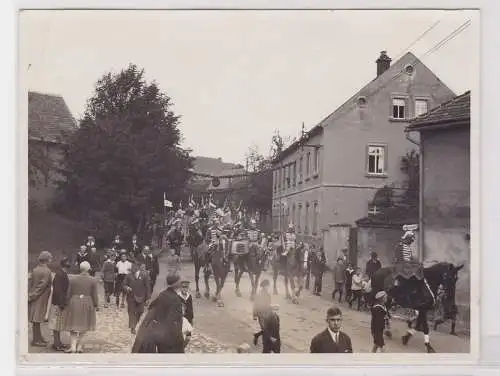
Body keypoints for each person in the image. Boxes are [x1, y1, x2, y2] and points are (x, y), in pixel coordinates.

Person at [131, 274, 185, 353]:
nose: (181, 283)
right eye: (179, 281)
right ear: (176, 283)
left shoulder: (162, 294)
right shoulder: (175, 300)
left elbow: (151, 308)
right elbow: (174, 321)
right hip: (171, 337)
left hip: (160, 336)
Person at [61, 261, 99, 353]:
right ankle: (79, 346)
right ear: (89, 269)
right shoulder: (93, 280)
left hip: (74, 302)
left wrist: (66, 303)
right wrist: (96, 305)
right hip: (87, 302)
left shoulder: (73, 279)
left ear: (80, 268)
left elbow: (68, 293)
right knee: (85, 324)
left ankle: (73, 346)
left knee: (73, 324)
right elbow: (94, 295)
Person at [28, 251, 53, 346]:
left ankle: (38, 338)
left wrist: (30, 295)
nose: (51, 260)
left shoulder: (35, 269)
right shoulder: (47, 271)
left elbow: (31, 283)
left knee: (36, 319)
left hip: (35, 296)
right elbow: (42, 286)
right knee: (37, 319)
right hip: (40, 297)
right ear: (46, 259)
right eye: (50, 258)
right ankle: (36, 340)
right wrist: (32, 296)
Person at [47, 257, 71, 351]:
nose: (69, 264)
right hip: (58, 303)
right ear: (64, 265)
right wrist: (61, 303)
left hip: (59, 302)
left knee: (58, 324)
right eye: (68, 262)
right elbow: (58, 290)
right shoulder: (60, 274)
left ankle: (58, 342)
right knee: (56, 324)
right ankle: (56, 344)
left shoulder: (62, 273)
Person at [124, 263, 151, 334]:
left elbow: (148, 287)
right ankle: (133, 327)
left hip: (141, 297)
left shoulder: (144, 275)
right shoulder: (128, 275)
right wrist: (127, 287)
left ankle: (135, 324)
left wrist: (148, 298)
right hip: (131, 297)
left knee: (140, 311)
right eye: (132, 267)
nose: (132, 268)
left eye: (134, 267)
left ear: (137, 268)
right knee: (131, 312)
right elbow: (124, 284)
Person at [253, 279, 272, 346]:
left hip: (267, 314)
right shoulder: (259, 294)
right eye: (266, 286)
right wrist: (255, 315)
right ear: (263, 286)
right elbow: (256, 305)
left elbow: (269, 305)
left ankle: (257, 335)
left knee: (267, 329)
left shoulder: (268, 295)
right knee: (265, 329)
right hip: (260, 314)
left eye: (268, 286)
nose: (267, 287)